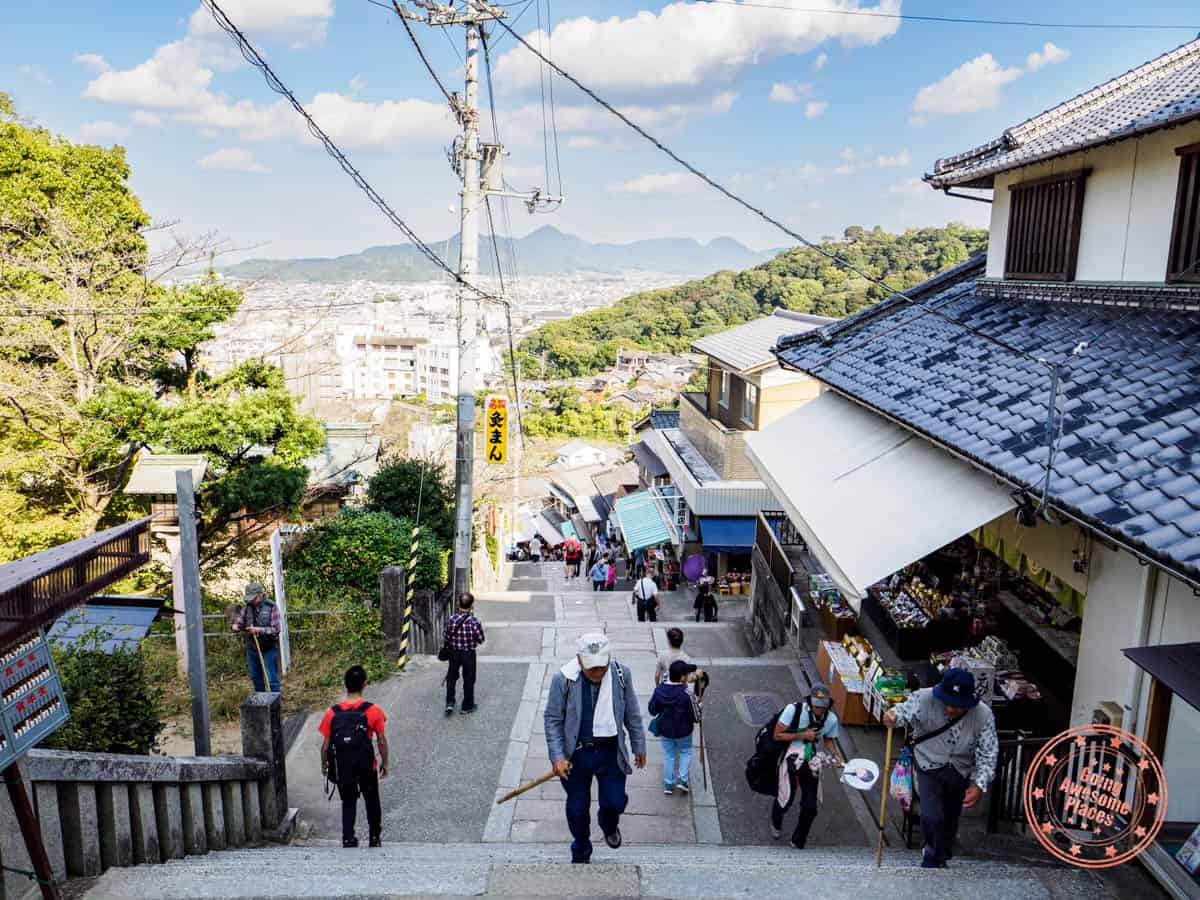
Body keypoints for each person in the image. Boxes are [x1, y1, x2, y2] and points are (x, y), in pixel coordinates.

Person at [545, 633, 647, 864]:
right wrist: (557, 756)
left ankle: (608, 823)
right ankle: (581, 848)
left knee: (615, 802)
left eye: (602, 666)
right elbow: (552, 719)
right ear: (580, 660)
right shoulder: (563, 679)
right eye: (592, 668)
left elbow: (631, 712)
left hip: (610, 750)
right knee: (577, 810)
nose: (598, 672)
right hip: (576, 755)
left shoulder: (621, 674)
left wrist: (639, 745)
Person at [884, 668, 998, 869]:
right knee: (931, 814)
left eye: (958, 705)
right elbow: (903, 711)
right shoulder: (924, 698)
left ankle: (941, 855)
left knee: (950, 817)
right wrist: (893, 715)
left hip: (960, 769)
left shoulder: (983, 714)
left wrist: (979, 784)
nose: (951, 709)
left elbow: (988, 752)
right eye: (948, 703)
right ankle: (929, 852)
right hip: (928, 763)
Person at [319, 665, 388, 848]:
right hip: (366, 765)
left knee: (348, 801)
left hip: (343, 765)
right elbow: (381, 740)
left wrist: (325, 765)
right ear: (365, 684)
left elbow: (325, 745)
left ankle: (348, 837)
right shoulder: (373, 710)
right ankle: (374, 837)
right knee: (372, 800)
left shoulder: (332, 712)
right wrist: (385, 763)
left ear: (345, 685)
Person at [770, 682, 845, 849]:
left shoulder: (831, 719)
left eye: (823, 707)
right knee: (786, 797)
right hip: (791, 756)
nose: (819, 710)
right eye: (817, 706)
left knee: (811, 807)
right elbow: (777, 735)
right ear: (810, 702)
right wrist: (803, 734)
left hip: (811, 760)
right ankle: (776, 821)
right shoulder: (793, 710)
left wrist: (835, 755)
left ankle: (798, 840)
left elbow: (828, 739)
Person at [648, 660, 702, 795]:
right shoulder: (687, 695)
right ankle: (683, 780)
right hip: (684, 731)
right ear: (683, 677)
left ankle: (668, 784)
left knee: (668, 755)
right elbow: (696, 717)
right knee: (685, 752)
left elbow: (652, 710)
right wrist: (699, 707)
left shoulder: (659, 690)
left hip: (665, 730)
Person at [231, 582, 281, 693]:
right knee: (256, 677)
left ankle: (275, 705)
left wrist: (259, 630)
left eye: (253, 598)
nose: (251, 601)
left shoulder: (271, 606)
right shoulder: (247, 608)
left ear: (260, 594)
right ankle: (261, 702)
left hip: (268, 648)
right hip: (252, 648)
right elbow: (239, 621)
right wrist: (235, 626)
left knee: (272, 678)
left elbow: (276, 629)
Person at [443, 592, 486, 715]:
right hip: (468, 654)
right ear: (472, 605)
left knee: (451, 677)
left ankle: (449, 703)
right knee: (469, 679)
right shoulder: (474, 621)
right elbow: (481, 639)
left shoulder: (451, 619)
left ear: (458, 604)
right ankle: (467, 706)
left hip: (454, 653)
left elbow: (445, 636)